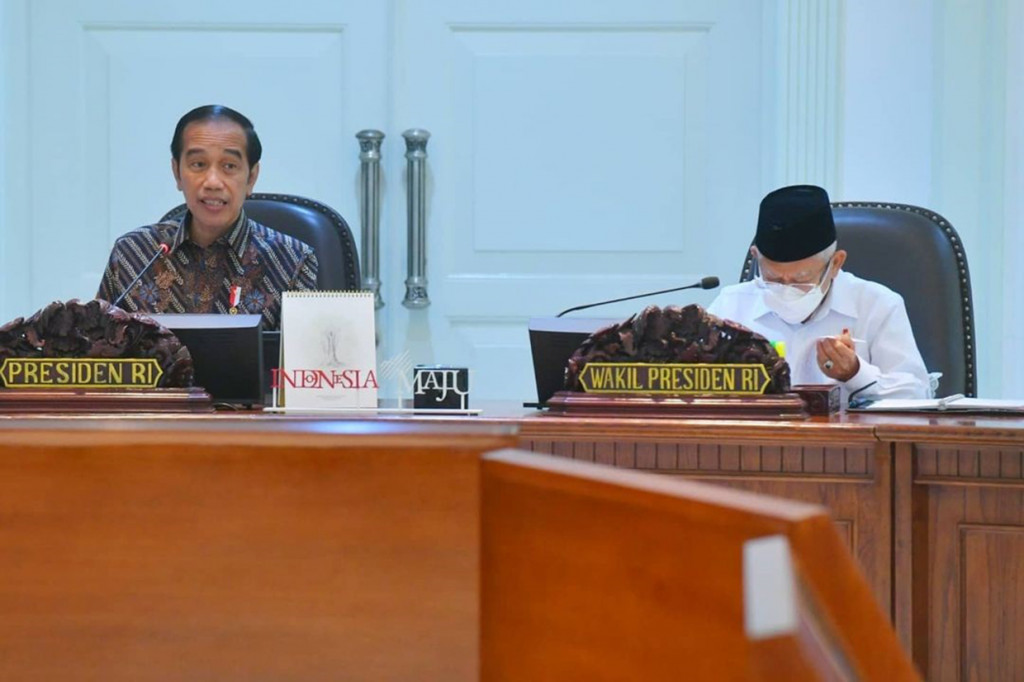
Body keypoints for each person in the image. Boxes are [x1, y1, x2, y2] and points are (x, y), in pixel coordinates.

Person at [97, 105, 318, 330]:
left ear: (251, 177)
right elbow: (98, 355)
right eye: (198, 165)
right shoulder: (134, 254)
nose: (212, 181)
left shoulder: (292, 261)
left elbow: (301, 361)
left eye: (229, 166)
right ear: (177, 172)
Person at [708, 184, 931, 400]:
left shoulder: (877, 305)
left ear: (835, 263)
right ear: (756, 256)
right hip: (754, 437)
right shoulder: (731, 306)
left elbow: (916, 394)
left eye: (801, 280)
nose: (786, 290)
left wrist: (855, 373)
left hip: (847, 438)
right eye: (773, 279)